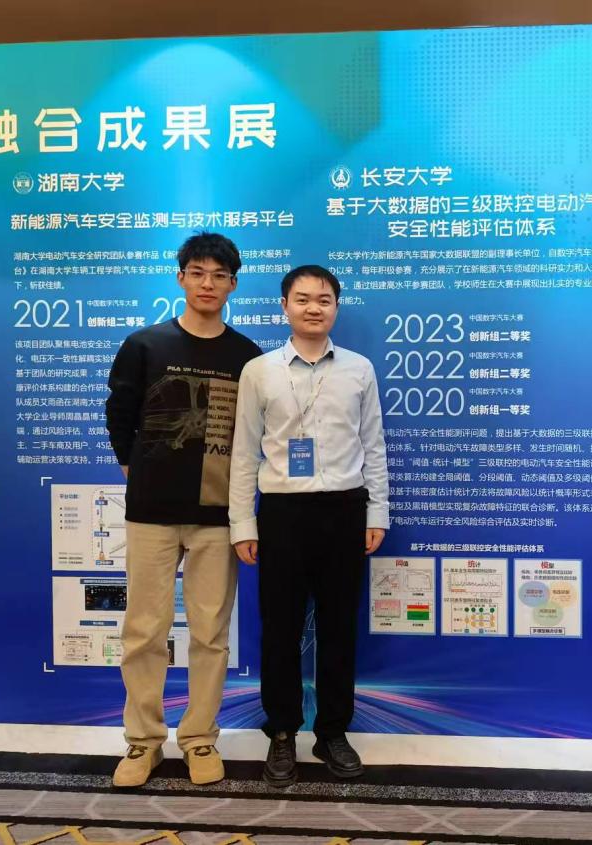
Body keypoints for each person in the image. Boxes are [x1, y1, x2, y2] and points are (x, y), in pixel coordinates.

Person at [105, 231, 262, 787]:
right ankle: (142, 742)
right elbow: (119, 413)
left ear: (233, 285)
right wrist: (136, 469)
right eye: (197, 273)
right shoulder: (145, 345)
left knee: (210, 634)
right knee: (143, 632)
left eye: (219, 275)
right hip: (151, 513)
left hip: (218, 517)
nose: (207, 284)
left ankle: (199, 738)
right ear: (181, 278)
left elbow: (253, 437)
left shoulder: (247, 358)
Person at [229, 265, 389, 788]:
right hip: (282, 513)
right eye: (302, 299)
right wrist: (242, 523)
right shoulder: (259, 371)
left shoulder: (359, 369)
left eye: (324, 299)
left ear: (336, 307)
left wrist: (376, 512)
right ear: (285, 306)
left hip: (345, 510)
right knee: (280, 627)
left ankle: (332, 731)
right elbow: (243, 452)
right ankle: (281, 731)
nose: (313, 307)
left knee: (339, 627)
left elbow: (373, 445)